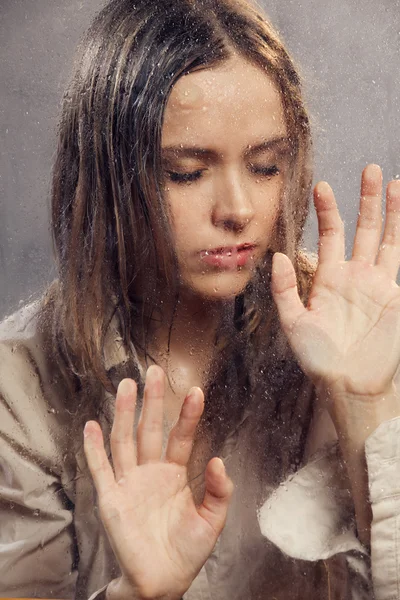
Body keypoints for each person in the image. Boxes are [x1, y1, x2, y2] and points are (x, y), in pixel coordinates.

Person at [1, 0, 400, 598]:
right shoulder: (19, 382)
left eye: (266, 166)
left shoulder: (346, 332)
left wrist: (367, 404)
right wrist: (140, 593)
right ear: (106, 175)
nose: (238, 210)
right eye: (186, 172)